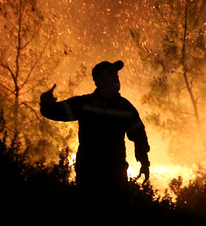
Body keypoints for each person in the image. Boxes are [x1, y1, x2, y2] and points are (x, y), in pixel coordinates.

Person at [40, 60, 150, 221]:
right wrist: (45, 102)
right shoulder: (84, 104)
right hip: (89, 175)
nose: (116, 77)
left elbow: (139, 135)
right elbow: (55, 112)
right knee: (88, 217)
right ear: (98, 80)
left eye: (116, 73)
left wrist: (144, 161)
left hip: (116, 174)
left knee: (119, 219)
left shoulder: (125, 108)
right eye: (110, 73)